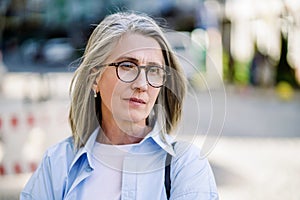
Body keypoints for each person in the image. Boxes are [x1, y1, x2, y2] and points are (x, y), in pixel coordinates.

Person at [20, 12, 219, 200]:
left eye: (154, 71)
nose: (142, 85)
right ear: (95, 78)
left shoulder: (185, 164)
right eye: (127, 66)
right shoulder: (58, 163)